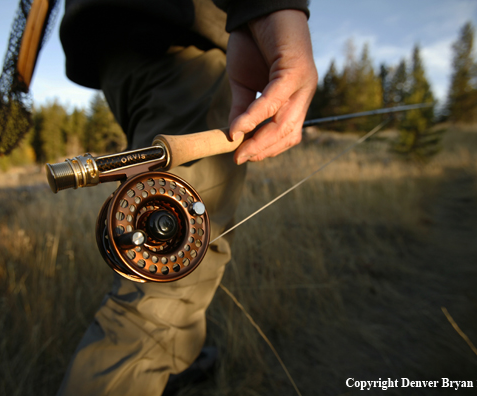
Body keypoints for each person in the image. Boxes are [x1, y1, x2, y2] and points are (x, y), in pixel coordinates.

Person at [56, 1, 318, 394]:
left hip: (113, 52)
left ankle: (175, 367)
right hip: (182, 41)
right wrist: (272, 7)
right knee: (161, 297)